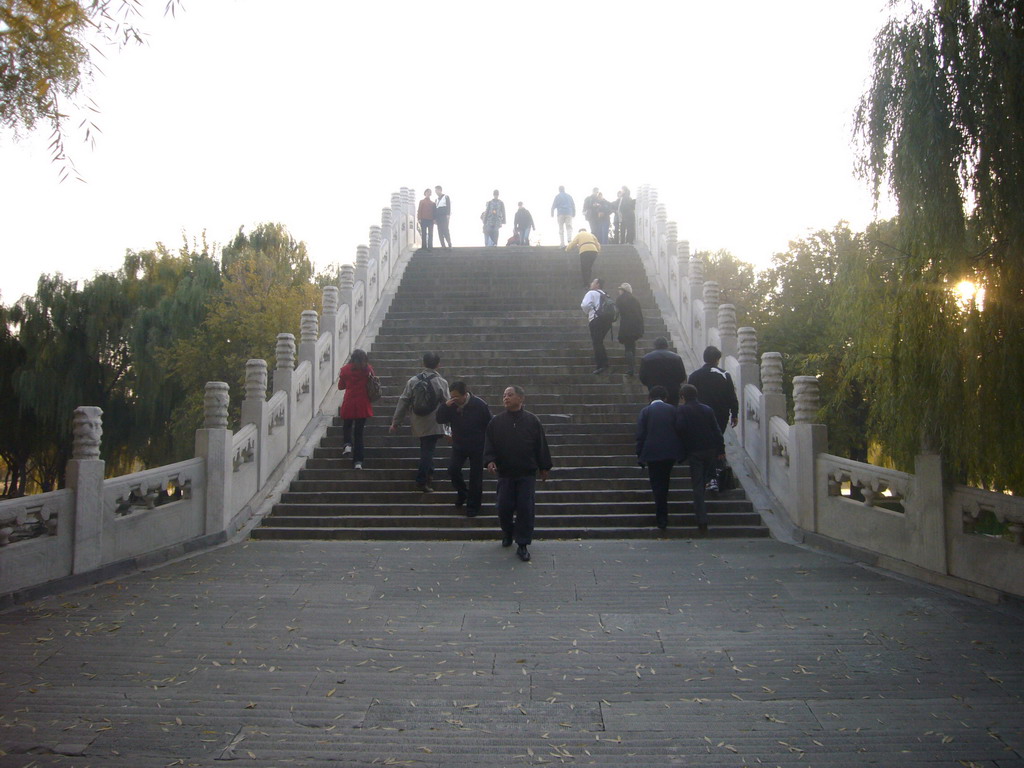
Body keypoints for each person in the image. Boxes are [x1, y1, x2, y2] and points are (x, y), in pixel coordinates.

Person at [483, 385, 552, 562]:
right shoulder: (496, 422)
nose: (506, 398)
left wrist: (544, 467)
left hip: (526, 473)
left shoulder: (532, 421)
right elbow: (489, 444)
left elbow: (540, 445)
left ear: (521, 398)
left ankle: (522, 544)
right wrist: (490, 460)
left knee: (525, 508)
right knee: (503, 506)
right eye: (504, 395)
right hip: (505, 473)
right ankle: (507, 531)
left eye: (510, 395)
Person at [390, 352, 451, 492]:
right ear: (438, 365)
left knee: (426, 448)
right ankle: (422, 480)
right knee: (428, 450)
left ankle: (429, 474)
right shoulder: (441, 382)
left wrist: (396, 422)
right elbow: (447, 404)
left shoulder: (413, 381)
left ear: (423, 363)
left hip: (418, 421)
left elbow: (403, 401)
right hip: (434, 422)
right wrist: (451, 426)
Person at [435, 381, 493, 517]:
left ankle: (473, 506)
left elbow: (490, 424)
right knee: (453, 470)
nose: (453, 399)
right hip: (459, 445)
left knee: (476, 477)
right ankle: (462, 492)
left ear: (464, 394)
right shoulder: (450, 405)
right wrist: (444, 406)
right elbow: (439, 419)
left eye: (455, 396)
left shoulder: (479, 405)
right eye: (451, 396)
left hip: (478, 446)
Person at [686, 345, 740, 492]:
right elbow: (731, 395)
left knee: (703, 443)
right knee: (715, 441)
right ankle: (713, 475)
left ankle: (708, 476)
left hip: (699, 415)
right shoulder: (724, 374)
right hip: (720, 415)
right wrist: (734, 413)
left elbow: (689, 397)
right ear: (717, 359)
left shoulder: (695, 375)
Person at [675, 383, 725, 536]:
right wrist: (721, 450)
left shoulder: (682, 409)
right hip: (710, 449)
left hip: (694, 451)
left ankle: (701, 518)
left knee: (697, 484)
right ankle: (711, 484)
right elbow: (716, 430)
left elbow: (680, 428)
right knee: (705, 479)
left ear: (683, 397)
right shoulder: (707, 409)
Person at [636, 386, 682, 530]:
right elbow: (680, 430)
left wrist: (640, 455)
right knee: (665, 482)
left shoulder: (646, 411)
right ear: (665, 398)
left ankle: (661, 517)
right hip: (669, 453)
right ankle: (663, 515)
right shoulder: (673, 410)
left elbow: (640, 435)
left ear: (649, 398)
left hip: (651, 453)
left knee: (656, 484)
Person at [337, 348, 375, 470]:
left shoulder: (345, 370)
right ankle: (358, 461)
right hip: (362, 404)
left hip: (349, 402)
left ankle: (347, 444)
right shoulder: (367, 369)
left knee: (347, 426)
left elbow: (341, 386)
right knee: (359, 434)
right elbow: (373, 381)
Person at [639, 337, 687, 405]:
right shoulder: (676, 358)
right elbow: (682, 376)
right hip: (672, 391)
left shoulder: (646, 359)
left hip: (654, 391)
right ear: (667, 345)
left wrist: (650, 384)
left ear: (655, 346)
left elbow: (642, 377)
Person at [581, 277, 614, 374]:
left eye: (593, 282)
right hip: (607, 321)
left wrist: (588, 312)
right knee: (599, 341)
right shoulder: (605, 294)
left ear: (597, 284)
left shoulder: (591, 293)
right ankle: (605, 363)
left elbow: (584, 305)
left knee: (596, 342)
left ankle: (601, 365)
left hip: (596, 319)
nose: (591, 283)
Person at [615, 282, 644, 376]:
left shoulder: (620, 299)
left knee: (628, 348)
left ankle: (630, 368)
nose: (619, 291)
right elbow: (640, 314)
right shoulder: (635, 299)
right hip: (636, 326)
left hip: (626, 326)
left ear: (623, 290)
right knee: (632, 345)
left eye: (620, 289)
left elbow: (616, 312)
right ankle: (633, 367)